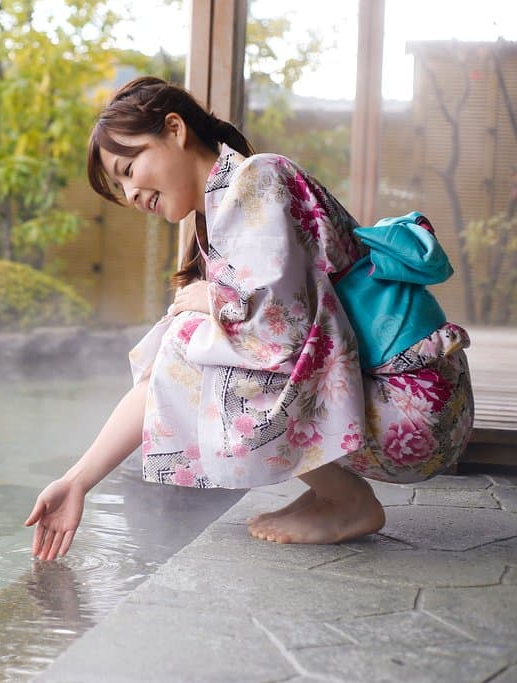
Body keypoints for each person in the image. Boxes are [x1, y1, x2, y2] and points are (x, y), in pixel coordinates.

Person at [25, 76, 474, 560]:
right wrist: (76, 483)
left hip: (414, 406)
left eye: (129, 168)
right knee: (188, 339)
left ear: (174, 129)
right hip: (395, 408)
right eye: (120, 186)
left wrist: (212, 301)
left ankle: (344, 500)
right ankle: (333, 494)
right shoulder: (221, 218)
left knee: (193, 337)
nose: (131, 194)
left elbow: (286, 331)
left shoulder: (260, 177)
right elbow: (165, 375)